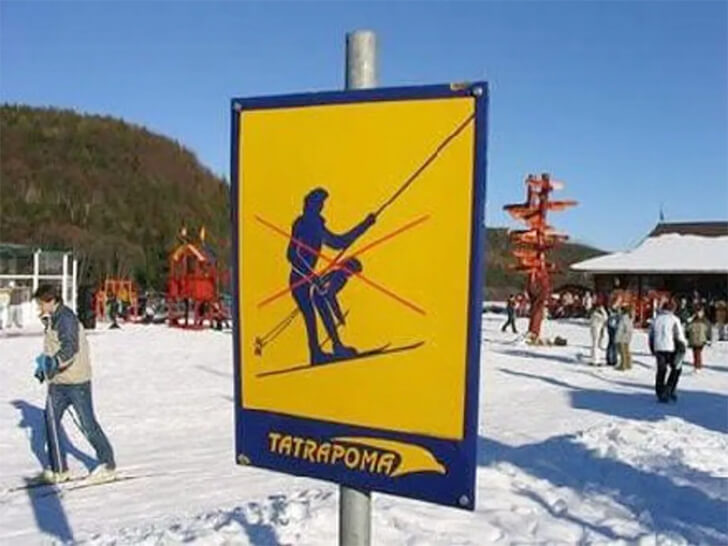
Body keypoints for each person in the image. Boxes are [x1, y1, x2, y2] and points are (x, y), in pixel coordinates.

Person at [32, 284, 116, 484]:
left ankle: (108, 465)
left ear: (51, 301)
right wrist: (44, 367)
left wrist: (54, 362)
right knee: (51, 422)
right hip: (57, 382)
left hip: (76, 382)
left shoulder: (66, 319)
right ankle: (59, 469)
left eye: (40, 303)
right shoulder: (52, 318)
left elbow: (70, 349)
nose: (39, 307)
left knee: (87, 424)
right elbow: (53, 347)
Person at [287, 188, 375, 364]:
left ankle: (335, 346)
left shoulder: (317, 225)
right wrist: (311, 276)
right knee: (310, 316)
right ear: (310, 205)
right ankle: (316, 353)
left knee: (321, 303)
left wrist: (365, 225)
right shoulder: (301, 224)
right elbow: (292, 255)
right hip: (299, 279)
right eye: (319, 204)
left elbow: (338, 242)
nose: (321, 207)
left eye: (322, 204)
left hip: (310, 279)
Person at [649, 300, 687, 403]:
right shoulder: (674, 319)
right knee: (676, 368)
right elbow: (679, 334)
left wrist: (652, 347)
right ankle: (669, 389)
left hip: (658, 347)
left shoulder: (656, 319)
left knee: (661, 370)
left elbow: (651, 335)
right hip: (671, 347)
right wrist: (683, 345)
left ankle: (659, 391)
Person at [615, 305, 634, 371]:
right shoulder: (629, 317)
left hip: (622, 337)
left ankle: (623, 365)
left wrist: (617, 337)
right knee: (626, 351)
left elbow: (621, 328)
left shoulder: (624, 318)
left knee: (622, 352)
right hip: (627, 337)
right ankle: (628, 364)